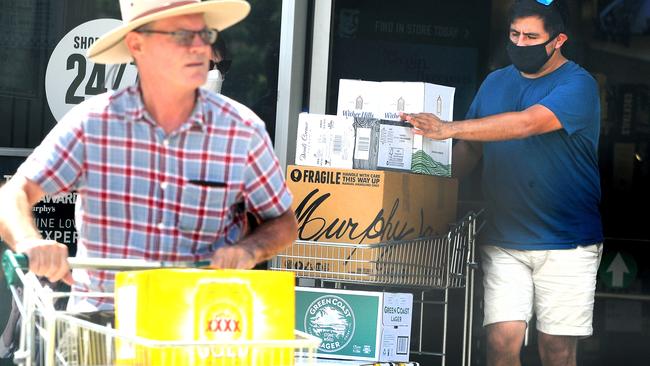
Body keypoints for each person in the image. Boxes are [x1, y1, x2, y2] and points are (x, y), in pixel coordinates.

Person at [0, 0, 297, 311]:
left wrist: (249, 250)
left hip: (200, 326)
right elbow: (13, 195)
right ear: (137, 45)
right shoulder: (93, 123)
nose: (200, 48)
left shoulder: (242, 130)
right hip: (103, 329)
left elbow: (282, 221)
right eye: (182, 36)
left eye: (205, 34)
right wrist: (29, 241)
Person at [402, 1, 603, 365]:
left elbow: (527, 123)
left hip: (568, 241)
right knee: (500, 340)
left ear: (558, 40)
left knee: (556, 349)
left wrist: (447, 128)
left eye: (531, 37)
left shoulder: (579, 85)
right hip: (505, 237)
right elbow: (472, 149)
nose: (520, 44)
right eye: (514, 35)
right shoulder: (496, 82)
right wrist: (426, 195)